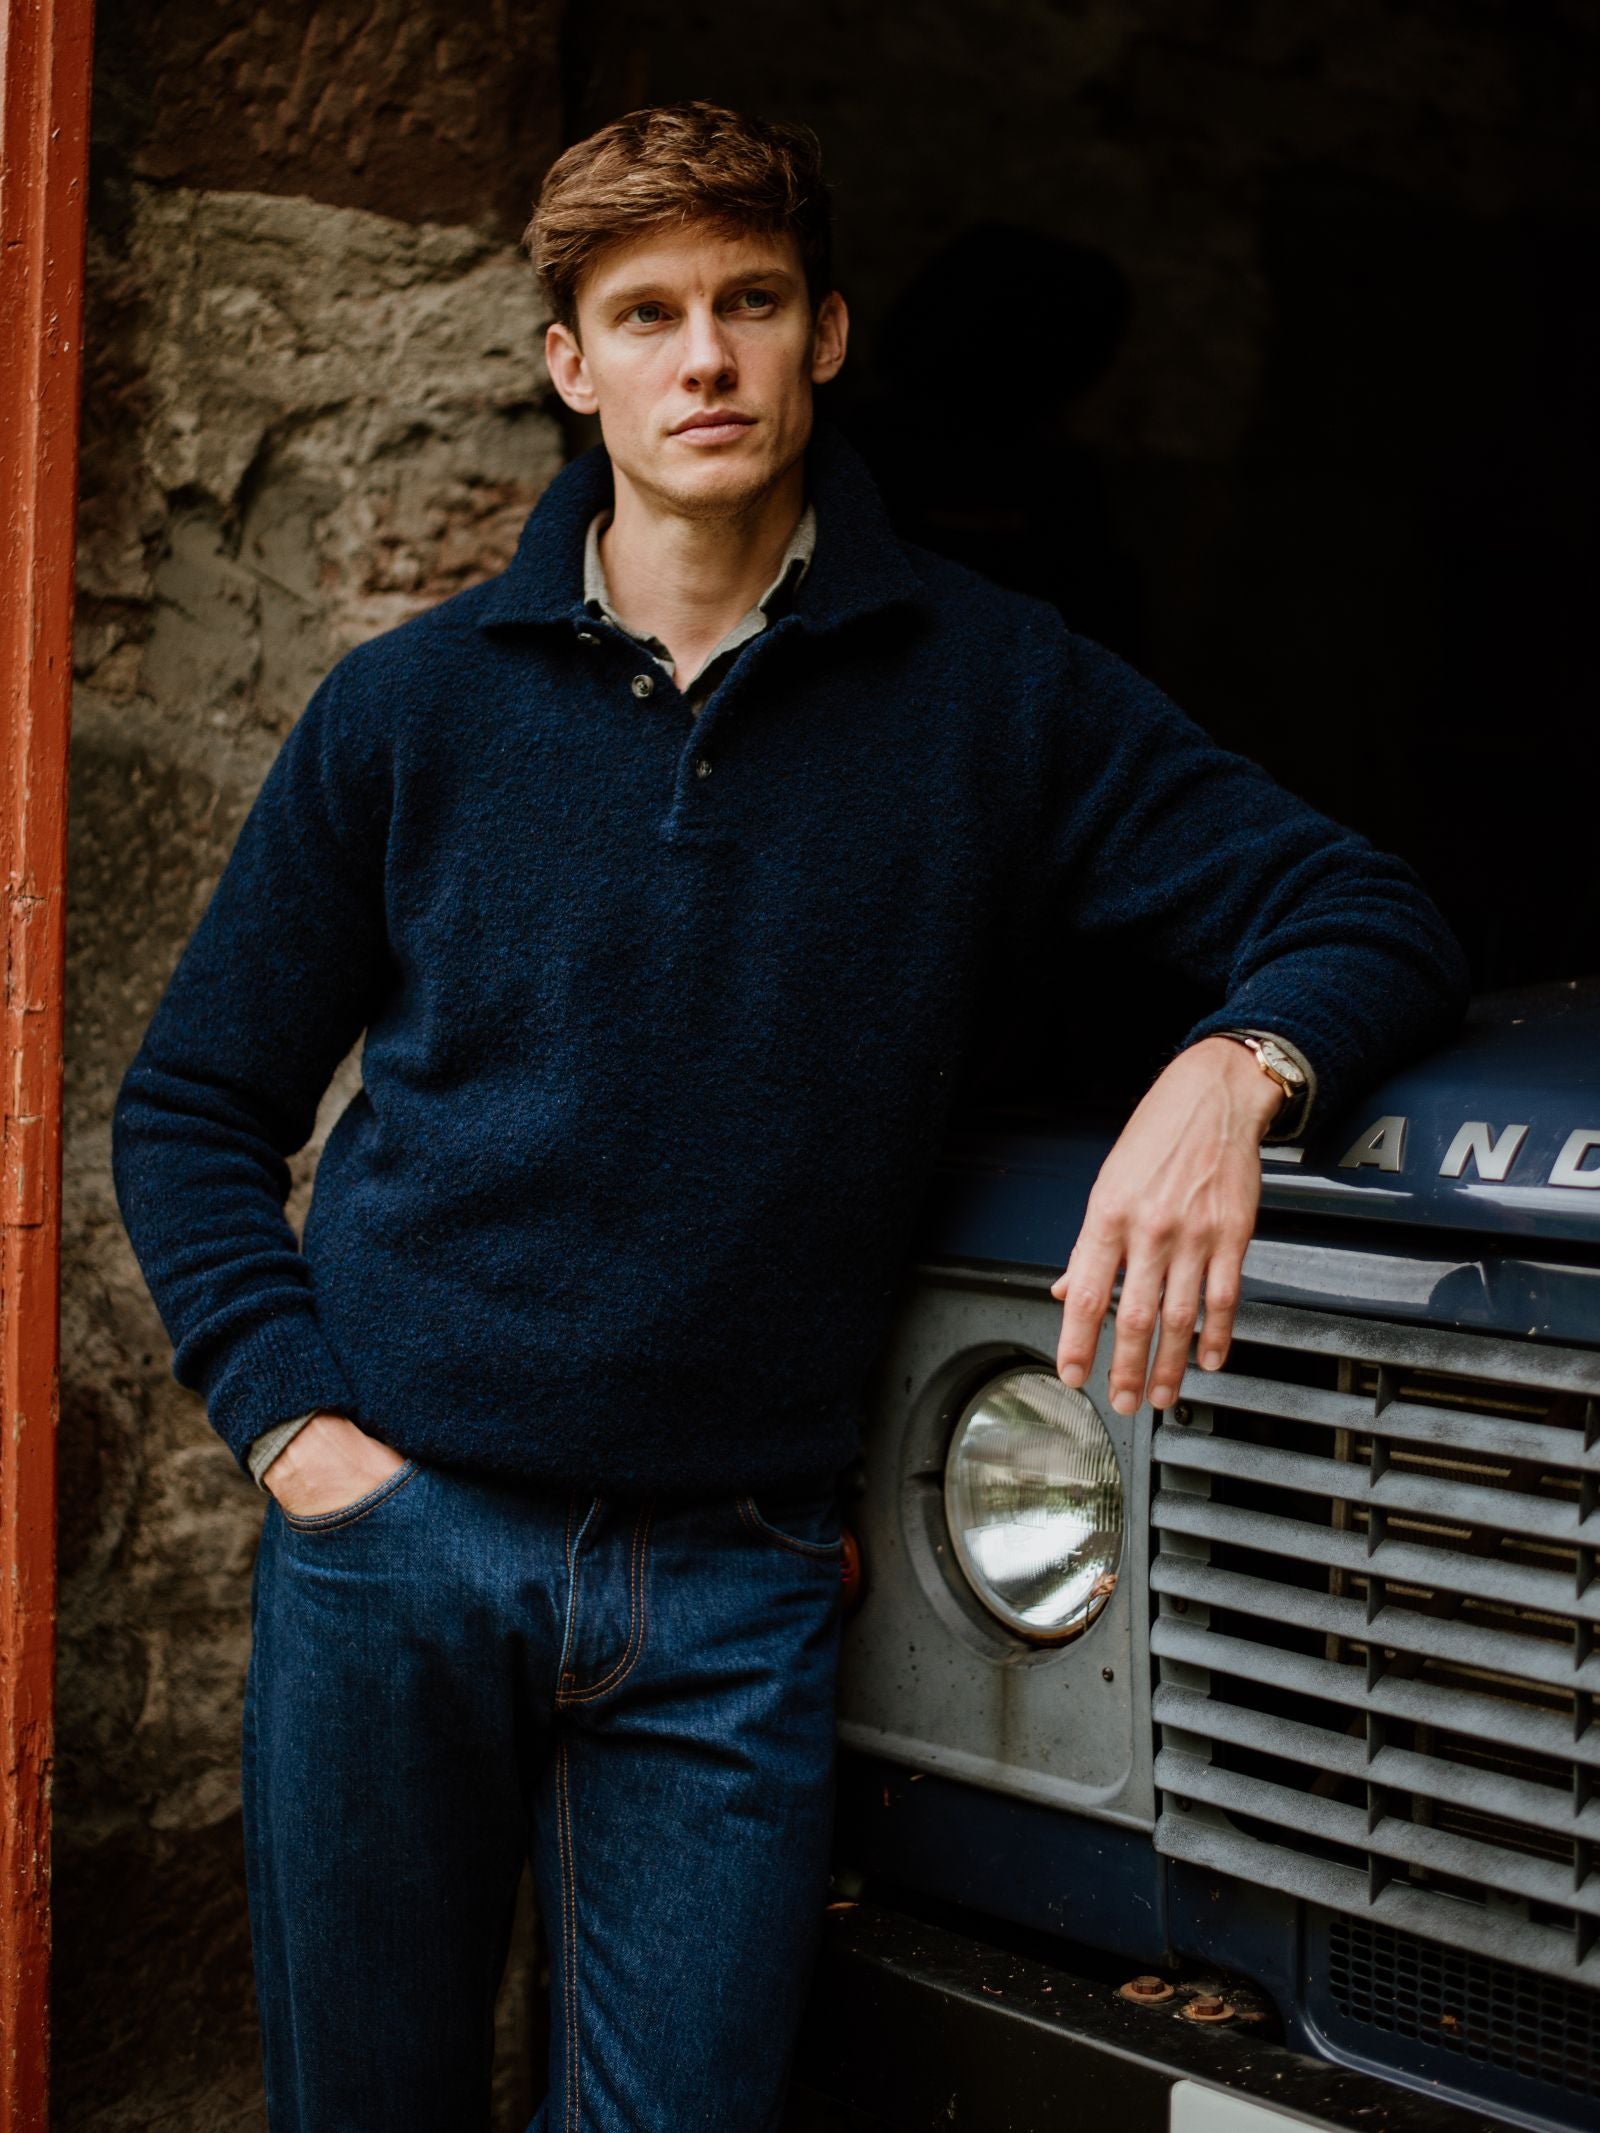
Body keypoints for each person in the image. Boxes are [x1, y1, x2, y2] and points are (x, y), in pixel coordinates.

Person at [111, 99, 1471, 2133]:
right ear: (567, 363)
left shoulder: (993, 690)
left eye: (746, 300)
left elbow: (1357, 907)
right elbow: (189, 1103)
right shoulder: (408, 713)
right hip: (398, 1551)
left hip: (729, 1592)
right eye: (643, 312)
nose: (703, 356)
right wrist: (307, 1440)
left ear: (825, 330)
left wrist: (1231, 1067)